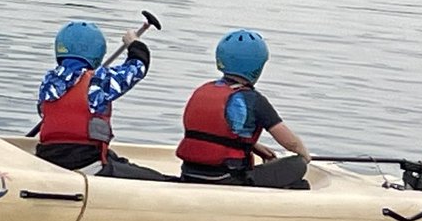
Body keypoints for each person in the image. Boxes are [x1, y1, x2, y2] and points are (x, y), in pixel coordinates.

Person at [35, 20, 170, 180]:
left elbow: (44, 111)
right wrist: (134, 44)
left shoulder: (49, 81)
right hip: (85, 164)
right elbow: (138, 67)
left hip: (47, 159)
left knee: (114, 159)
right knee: (158, 179)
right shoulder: (98, 81)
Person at [176, 29, 312, 188]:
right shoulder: (254, 100)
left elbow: (212, 133)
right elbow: (290, 142)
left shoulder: (203, 90)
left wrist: (252, 146)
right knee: (297, 165)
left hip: (189, 173)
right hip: (229, 178)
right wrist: (304, 155)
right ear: (257, 67)